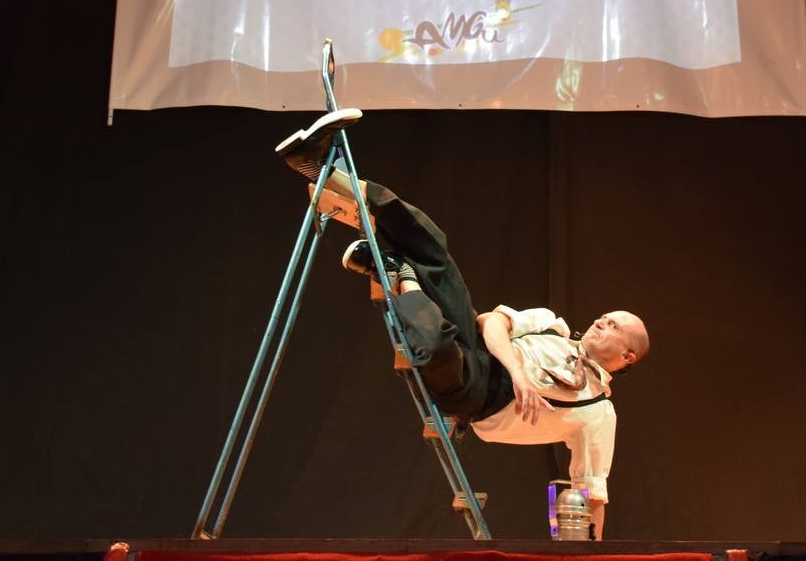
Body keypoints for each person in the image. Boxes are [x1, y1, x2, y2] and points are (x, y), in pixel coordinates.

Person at [275, 108, 650, 540]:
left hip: (481, 397)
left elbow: (591, 492)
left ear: (627, 356)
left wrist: (592, 553)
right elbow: (492, 323)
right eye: (606, 316)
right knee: (434, 244)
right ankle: (316, 167)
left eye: (615, 326)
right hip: (484, 347)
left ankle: (397, 273)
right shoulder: (554, 326)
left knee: (434, 344)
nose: (603, 320)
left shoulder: (598, 412)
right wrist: (518, 373)